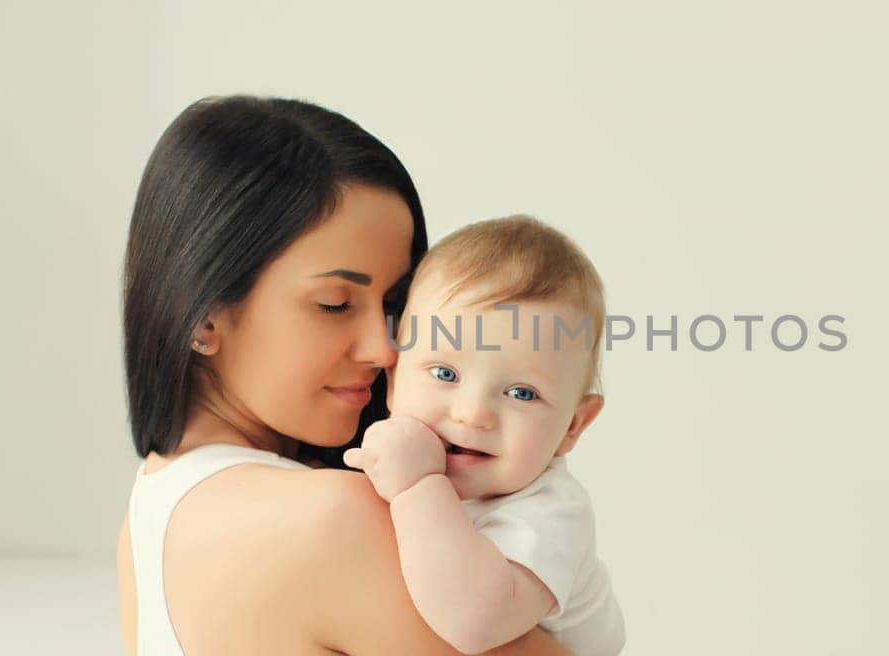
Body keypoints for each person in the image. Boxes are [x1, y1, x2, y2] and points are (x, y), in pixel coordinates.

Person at [116, 95, 570, 655]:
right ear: (205, 317)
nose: (385, 348)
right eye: (334, 303)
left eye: (395, 304)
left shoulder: (152, 510)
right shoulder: (334, 518)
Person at [344, 216, 625, 655]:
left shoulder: (551, 511)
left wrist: (418, 488)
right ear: (393, 378)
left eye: (521, 393)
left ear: (574, 425)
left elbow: (475, 624)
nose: (473, 415)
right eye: (445, 372)